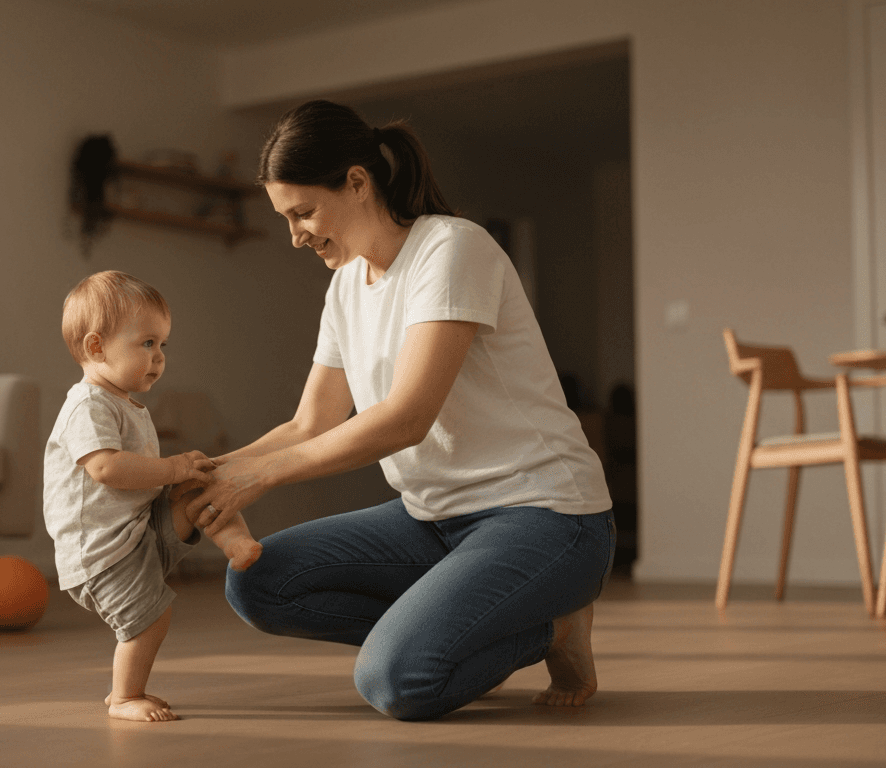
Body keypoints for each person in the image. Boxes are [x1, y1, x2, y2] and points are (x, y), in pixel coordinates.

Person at [176, 100, 616, 722]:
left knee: (398, 680)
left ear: (357, 183)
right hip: (433, 520)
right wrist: (206, 472)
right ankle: (452, 627)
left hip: (544, 515)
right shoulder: (346, 287)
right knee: (258, 583)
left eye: (304, 212)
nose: (295, 235)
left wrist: (261, 476)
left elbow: (407, 417)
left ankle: (556, 630)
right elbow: (312, 423)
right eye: (285, 217)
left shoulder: (452, 249)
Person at [44, 270, 263, 723]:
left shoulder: (127, 403)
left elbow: (152, 478)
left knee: (202, 480)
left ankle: (235, 542)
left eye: (163, 345)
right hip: (103, 552)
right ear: (96, 347)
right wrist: (170, 469)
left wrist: (180, 473)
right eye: (146, 344)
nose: (159, 357)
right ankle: (124, 697)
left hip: (139, 534)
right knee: (149, 619)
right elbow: (105, 468)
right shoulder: (88, 405)